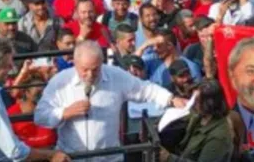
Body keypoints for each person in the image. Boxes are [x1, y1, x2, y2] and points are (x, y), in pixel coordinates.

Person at [35, 41, 185, 160]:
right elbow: (40, 116)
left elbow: (144, 89)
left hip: (109, 157)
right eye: (85, 69)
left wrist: (170, 98)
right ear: (74, 63)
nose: (90, 75)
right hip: (73, 157)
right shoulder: (60, 82)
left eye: (95, 69)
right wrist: (64, 113)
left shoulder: (115, 76)